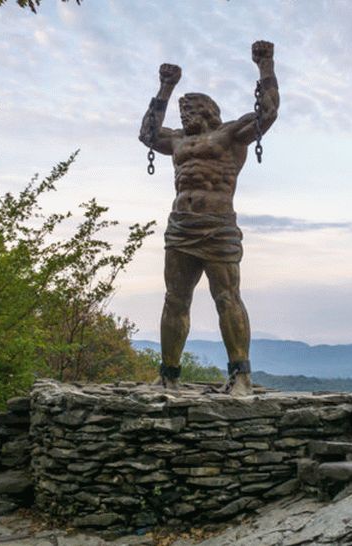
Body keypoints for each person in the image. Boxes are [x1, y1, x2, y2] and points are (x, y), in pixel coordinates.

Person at [138, 40, 279, 396]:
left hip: (217, 227)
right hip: (181, 226)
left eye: (191, 108)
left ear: (208, 110)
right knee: (175, 299)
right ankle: (168, 375)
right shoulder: (177, 140)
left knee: (227, 297)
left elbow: (268, 114)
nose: (185, 115)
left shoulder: (230, 134)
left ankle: (241, 375)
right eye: (182, 111)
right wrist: (165, 88)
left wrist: (265, 65)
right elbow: (147, 134)